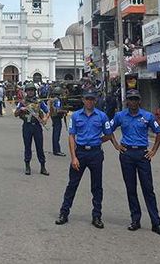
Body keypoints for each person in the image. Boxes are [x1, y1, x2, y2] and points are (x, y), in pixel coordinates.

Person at [107, 90, 160, 236]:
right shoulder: (120, 116)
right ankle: (135, 219)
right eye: (130, 99)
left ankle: (156, 223)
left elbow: (159, 132)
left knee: (148, 189)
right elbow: (108, 128)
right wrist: (116, 144)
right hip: (126, 154)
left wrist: (153, 151)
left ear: (139, 101)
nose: (133, 102)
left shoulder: (147, 116)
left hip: (142, 155)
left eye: (135, 99)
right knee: (131, 188)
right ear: (127, 101)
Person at [55, 91, 112, 228]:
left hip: (95, 154)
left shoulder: (102, 116)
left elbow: (108, 135)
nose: (90, 101)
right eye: (87, 99)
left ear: (95, 101)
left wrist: (97, 141)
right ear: (83, 100)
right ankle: (64, 213)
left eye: (92, 99)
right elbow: (71, 136)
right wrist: (73, 157)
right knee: (72, 185)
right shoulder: (75, 116)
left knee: (97, 187)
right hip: (79, 153)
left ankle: (97, 216)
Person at [15, 82, 49, 175]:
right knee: (27, 147)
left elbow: (47, 111)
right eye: (29, 90)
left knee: (40, 147)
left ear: (35, 91)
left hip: (37, 126)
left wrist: (45, 119)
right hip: (27, 126)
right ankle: (27, 166)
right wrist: (21, 109)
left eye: (32, 90)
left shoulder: (39, 101)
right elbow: (16, 113)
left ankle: (43, 167)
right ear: (26, 92)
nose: (30, 92)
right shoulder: (22, 102)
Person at [50, 86, 67, 157]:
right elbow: (58, 109)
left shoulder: (53, 99)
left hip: (54, 117)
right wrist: (65, 111)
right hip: (57, 118)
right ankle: (57, 150)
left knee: (55, 134)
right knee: (56, 135)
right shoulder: (57, 100)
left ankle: (55, 149)